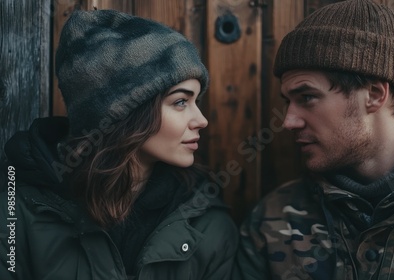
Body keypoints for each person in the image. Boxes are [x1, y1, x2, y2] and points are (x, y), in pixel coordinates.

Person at [234, 0, 394, 279]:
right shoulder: (273, 220)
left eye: (307, 97)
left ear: (374, 94)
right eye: (288, 101)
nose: (288, 121)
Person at [0, 9, 238, 280]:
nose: (202, 120)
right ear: (123, 114)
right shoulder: (16, 209)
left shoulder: (206, 223)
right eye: (181, 102)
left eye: (196, 101)